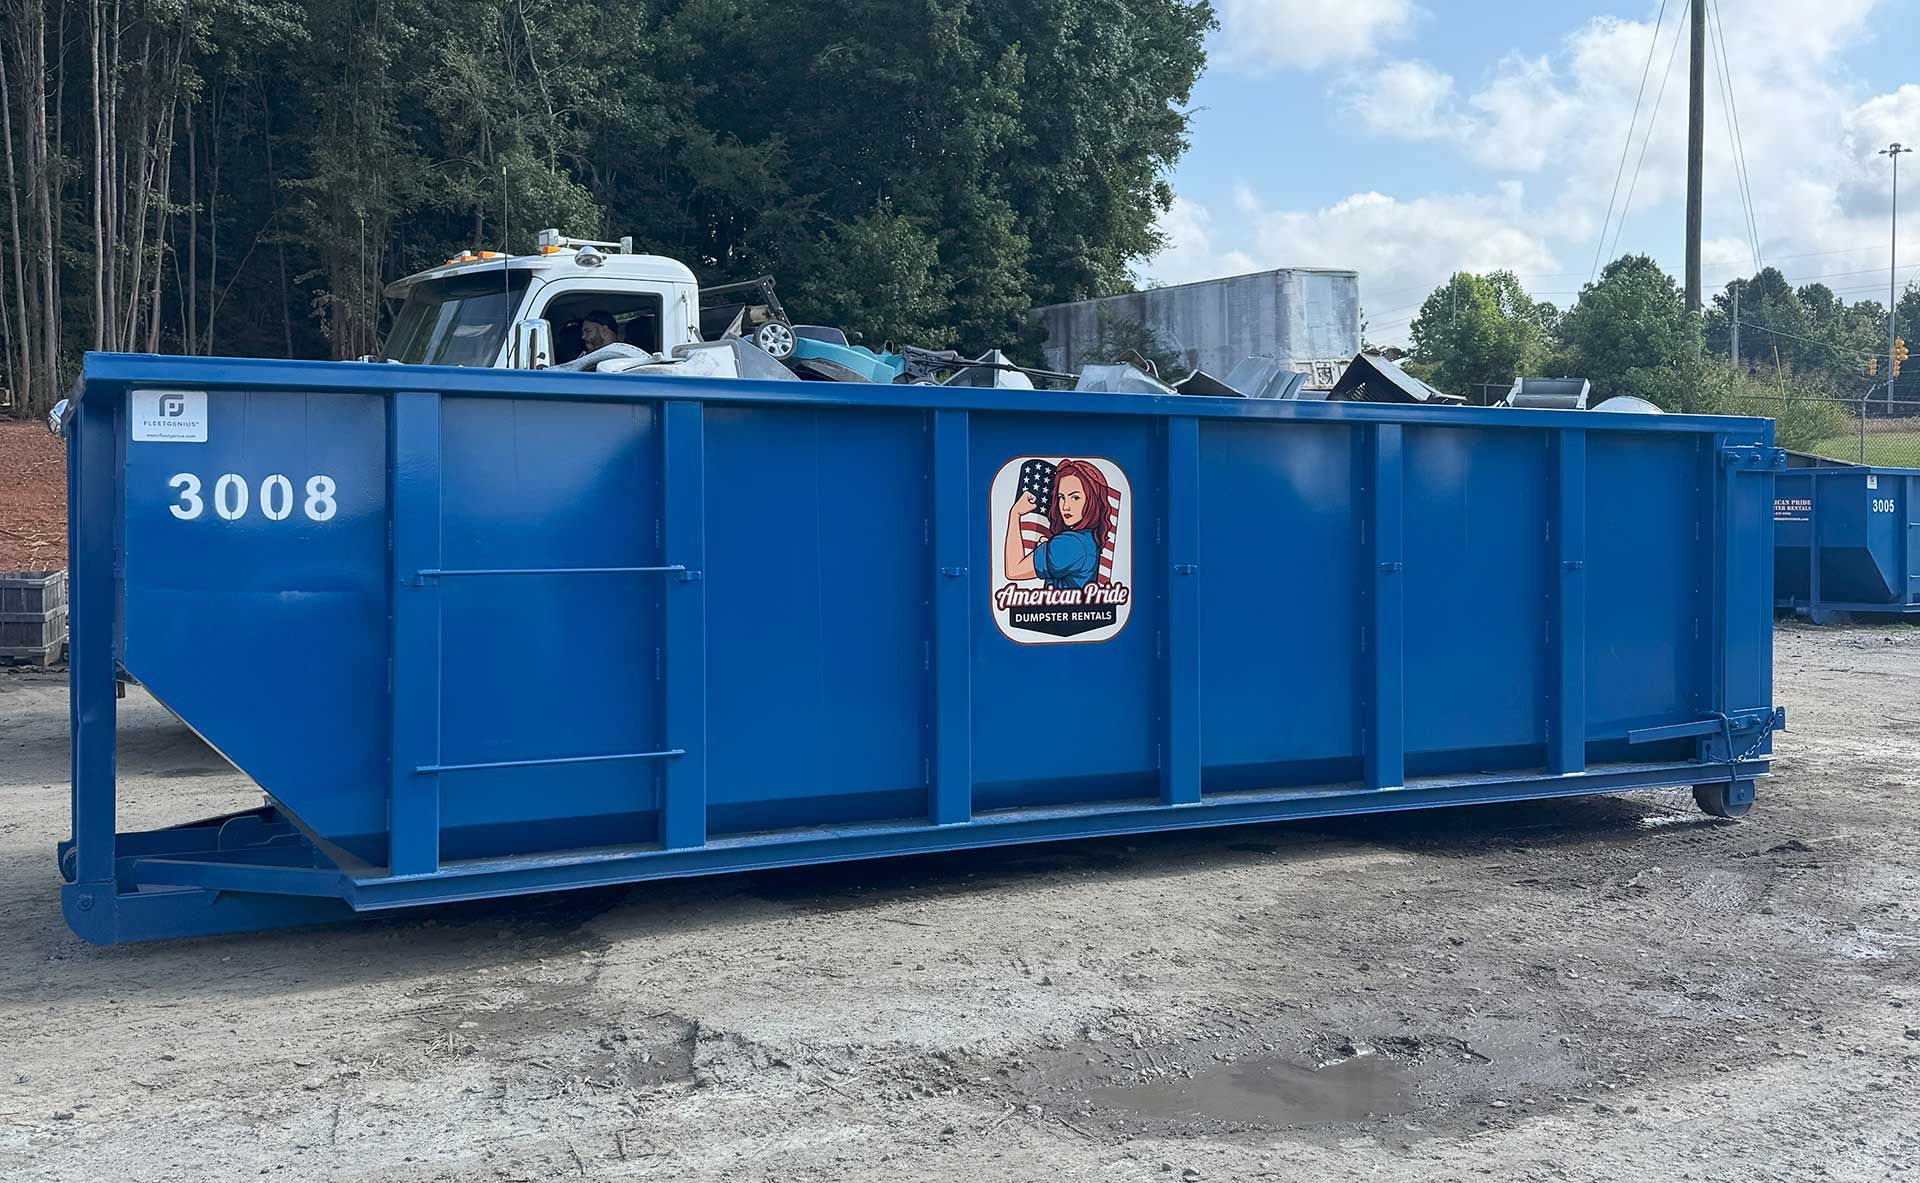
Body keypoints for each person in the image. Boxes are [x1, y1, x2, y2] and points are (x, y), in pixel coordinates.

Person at [1002, 459, 1113, 589]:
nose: (1065, 506)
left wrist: (1015, 513)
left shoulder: (1071, 543)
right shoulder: (1088, 538)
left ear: (1092, 501)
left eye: (1075, 497)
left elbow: (1014, 570)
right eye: (1061, 497)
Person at [552, 309, 647, 371]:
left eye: (588, 331)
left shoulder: (624, 358)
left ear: (604, 331)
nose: (583, 337)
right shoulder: (584, 357)